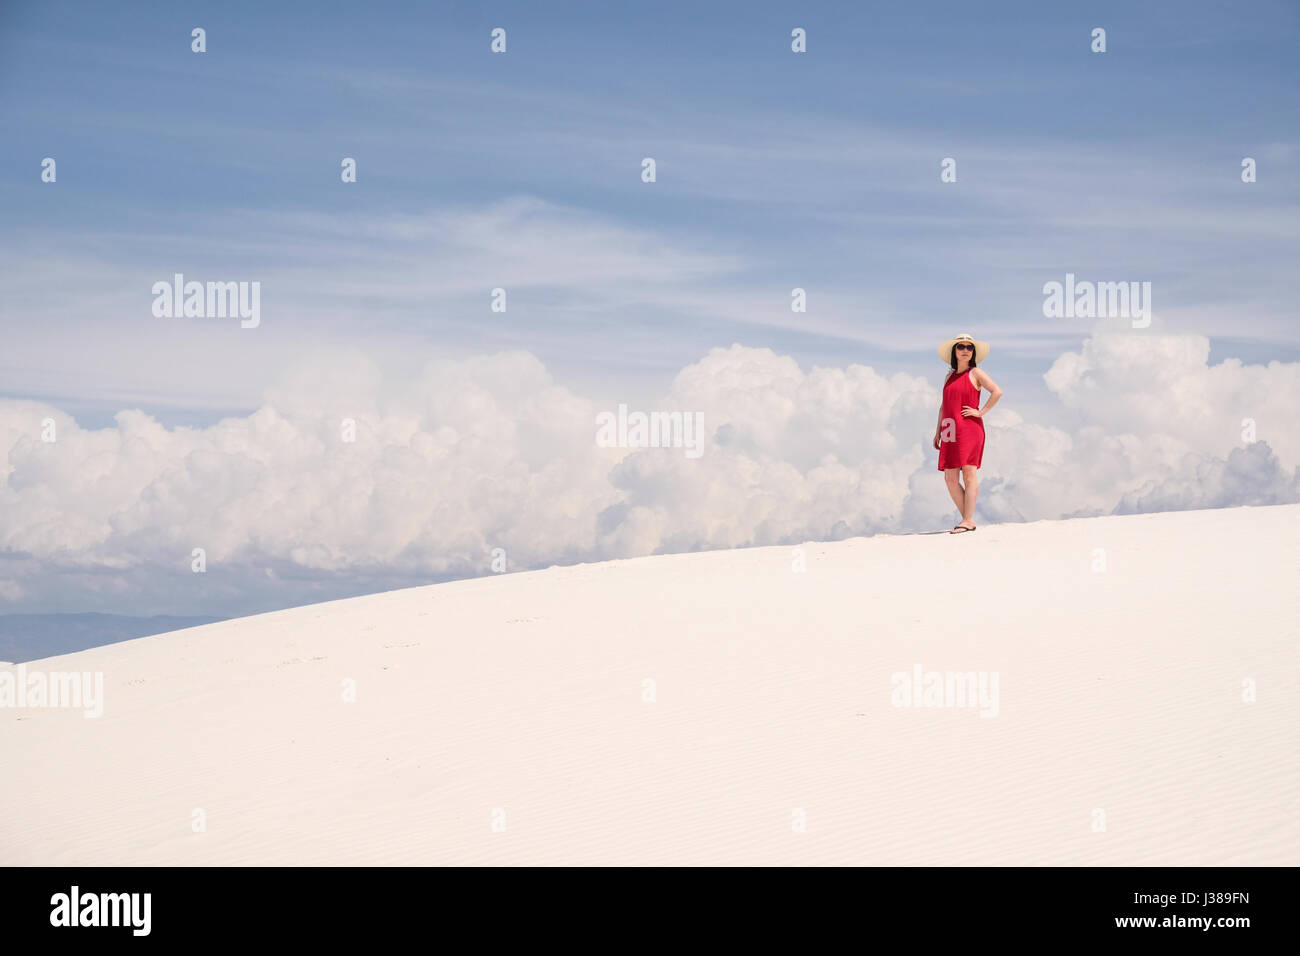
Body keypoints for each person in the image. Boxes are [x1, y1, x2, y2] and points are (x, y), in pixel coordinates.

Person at [931, 333, 1002, 533]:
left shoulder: (976, 374)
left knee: (969, 474)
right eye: (960, 347)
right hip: (949, 430)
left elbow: (997, 391)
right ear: (954, 351)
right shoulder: (948, 376)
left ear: (973, 352)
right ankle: (967, 520)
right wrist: (938, 431)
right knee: (950, 478)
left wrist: (980, 412)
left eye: (969, 347)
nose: (965, 350)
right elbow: (944, 405)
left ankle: (967, 520)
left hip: (970, 428)